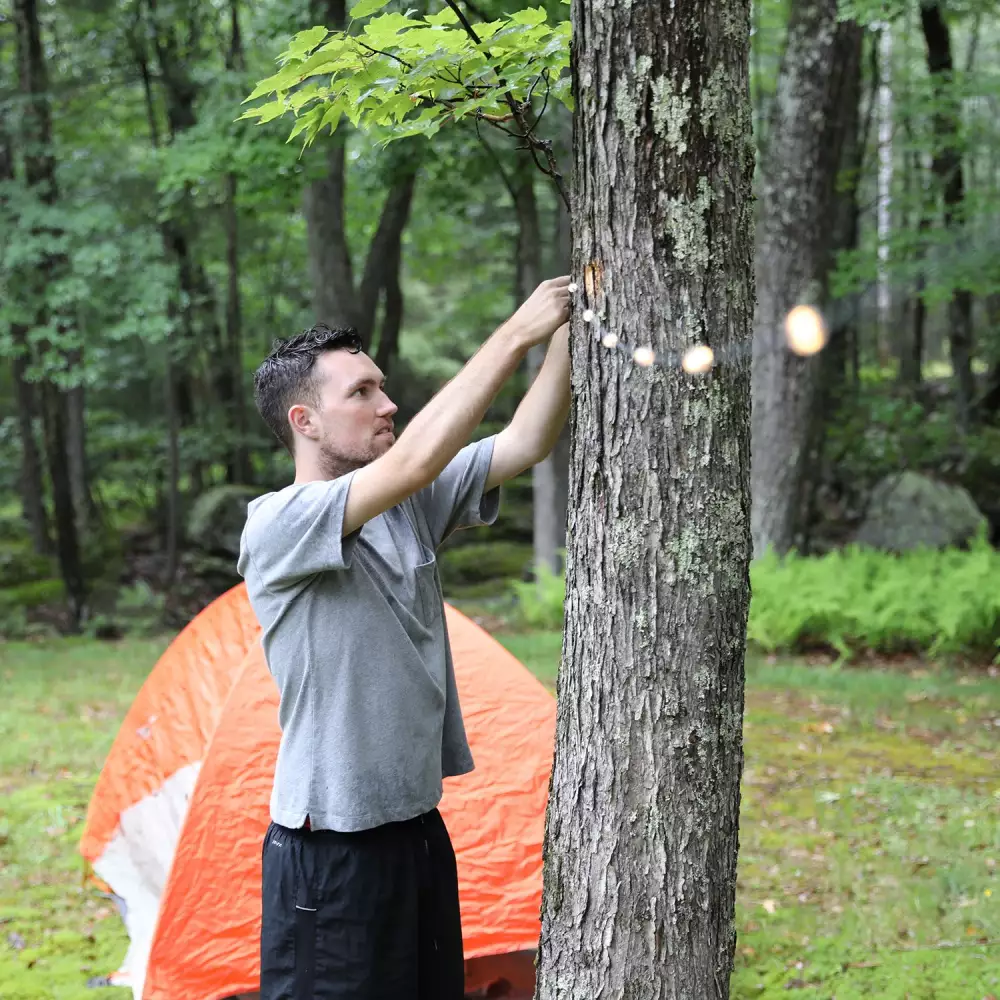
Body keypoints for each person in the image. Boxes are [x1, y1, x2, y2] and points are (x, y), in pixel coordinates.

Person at [237, 275, 572, 1000]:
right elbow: (417, 457)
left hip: (417, 832)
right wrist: (518, 331)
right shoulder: (278, 524)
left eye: (382, 386)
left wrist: (569, 330)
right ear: (305, 420)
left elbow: (524, 440)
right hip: (330, 854)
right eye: (361, 393)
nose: (388, 404)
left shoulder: (407, 506)